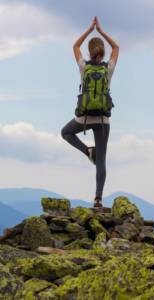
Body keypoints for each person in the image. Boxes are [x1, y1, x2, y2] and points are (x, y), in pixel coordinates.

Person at [61, 16, 119, 208]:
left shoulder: (83, 67)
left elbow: (75, 45)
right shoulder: (108, 68)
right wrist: (101, 31)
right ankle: (98, 199)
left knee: (66, 132)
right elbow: (117, 48)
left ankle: (87, 150)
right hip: (103, 120)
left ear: (89, 50)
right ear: (102, 51)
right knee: (101, 161)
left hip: (84, 117)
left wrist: (89, 29)